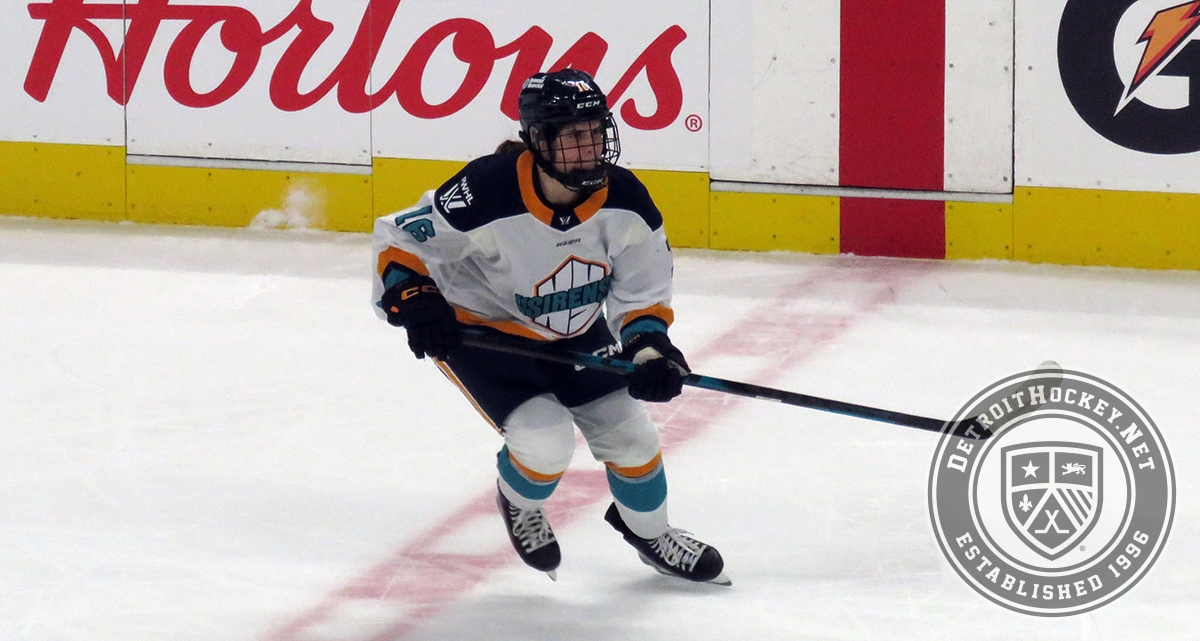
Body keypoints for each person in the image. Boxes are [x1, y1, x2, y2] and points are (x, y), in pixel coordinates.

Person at [371, 69, 728, 585]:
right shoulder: (485, 191)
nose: (590, 148)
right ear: (538, 141)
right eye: (574, 136)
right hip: (485, 331)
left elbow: (642, 292)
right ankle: (519, 502)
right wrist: (416, 299)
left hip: (574, 327)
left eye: (596, 132)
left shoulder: (626, 200)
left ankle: (650, 533)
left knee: (633, 439)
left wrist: (650, 349)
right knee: (544, 443)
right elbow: (399, 239)